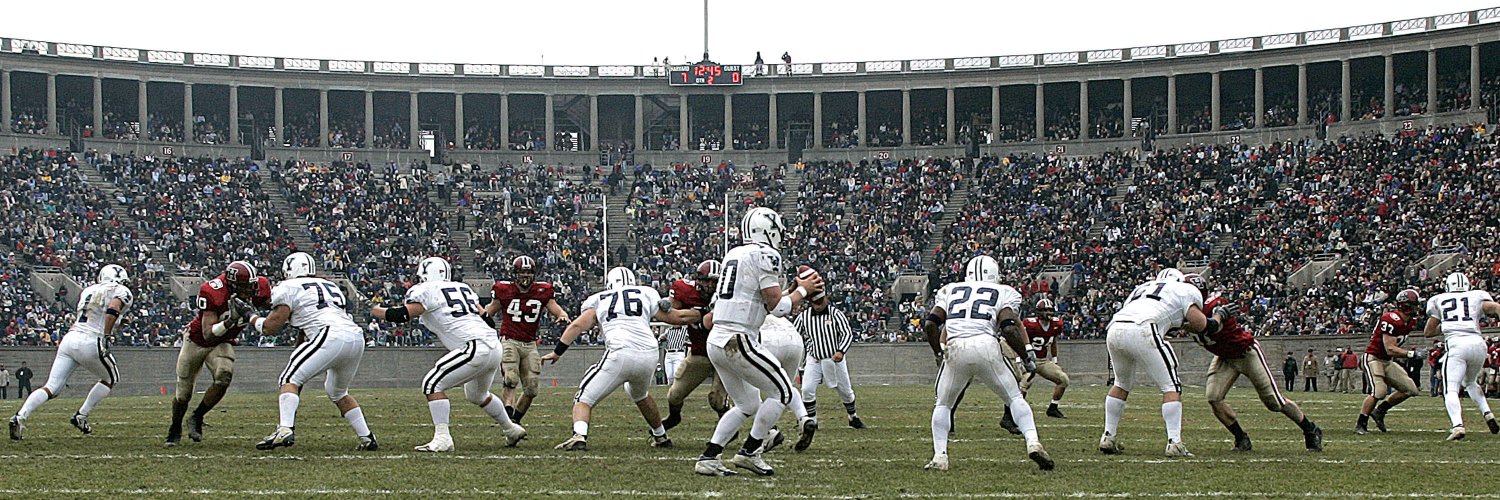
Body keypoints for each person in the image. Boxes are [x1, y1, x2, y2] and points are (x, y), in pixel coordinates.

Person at [692, 207, 822, 477]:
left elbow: (761, 299)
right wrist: (803, 290)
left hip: (717, 338)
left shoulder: (735, 253)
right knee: (783, 392)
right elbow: (778, 308)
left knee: (747, 405)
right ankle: (750, 451)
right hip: (738, 339)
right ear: (769, 230)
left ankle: (710, 457)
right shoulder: (766, 254)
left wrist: (793, 290)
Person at [370, 257, 526, 452]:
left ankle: (443, 438)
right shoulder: (463, 289)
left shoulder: (425, 290)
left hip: (474, 346)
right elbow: (487, 319)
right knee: (477, 394)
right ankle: (511, 429)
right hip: (493, 345)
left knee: (432, 384)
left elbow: (402, 315)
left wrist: (375, 310)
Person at [542, 267, 700, 451]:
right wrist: (704, 312)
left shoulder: (600, 299)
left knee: (584, 397)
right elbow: (678, 318)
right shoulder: (647, 293)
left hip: (621, 352)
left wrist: (557, 352)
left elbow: (577, 325)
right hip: (649, 354)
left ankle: (579, 436)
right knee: (640, 394)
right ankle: (661, 436)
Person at [921, 255, 1053, 471]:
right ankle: (1033, 442)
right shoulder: (1004, 292)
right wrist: (1026, 356)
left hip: (956, 347)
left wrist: (938, 352)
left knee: (943, 404)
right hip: (986, 346)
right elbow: (1009, 328)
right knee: (1014, 398)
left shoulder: (950, 290)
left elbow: (930, 325)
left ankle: (940, 456)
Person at [248, 253, 377, 451]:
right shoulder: (331, 286)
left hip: (330, 335)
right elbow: (306, 325)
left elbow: (269, 328)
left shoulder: (288, 287)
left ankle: (284, 429)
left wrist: (251, 317)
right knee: (338, 392)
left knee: (288, 379)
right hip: (355, 337)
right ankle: (367, 437)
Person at [1182, 274, 1321, 452]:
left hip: (1246, 353)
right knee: (1214, 398)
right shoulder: (1184, 310)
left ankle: (1310, 429)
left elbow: (1209, 326)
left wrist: (1181, 322)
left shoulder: (1212, 306)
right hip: (1224, 357)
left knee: (1274, 402)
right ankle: (1241, 438)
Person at [1099, 268, 1226, 458]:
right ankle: (1174, 442)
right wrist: (1219, 316)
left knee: (1121, 383)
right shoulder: (1184, 289)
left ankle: (1108, 436)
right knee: (1170, 386)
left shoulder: (1141, 288)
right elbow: (1201, 325)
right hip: (1144, 328)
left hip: (1115, 328)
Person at [9, 265, 132, 440]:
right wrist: (107, 335)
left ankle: (20, 416)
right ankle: (81, 416)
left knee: (51, 386)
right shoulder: (121, 290)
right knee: (111, 378)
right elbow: (112, 310)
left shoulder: (88, 290)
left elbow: (95, 314)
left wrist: (117, 322)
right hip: (91, 341)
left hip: (70, 338)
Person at [167, 261, 271, 447]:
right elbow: (207, 333)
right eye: (244, 287)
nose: (250, 290)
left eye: (251, 285)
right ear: (232, 285)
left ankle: (197, 417)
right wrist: (231, 321)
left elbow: (273, 305)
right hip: (197, 341)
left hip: (222, 342)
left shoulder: (260, 287)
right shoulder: (213, 291)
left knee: (224, 375)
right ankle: (175, 427)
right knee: (183, 393)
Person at [482, 256, 569, 424]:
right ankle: (507, 417)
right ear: (514, 273)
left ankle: (515, 421)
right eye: (522, 272)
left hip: (530, 344)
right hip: (509, 340)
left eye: (528, 272)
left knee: (531, 387)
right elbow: (489, 312)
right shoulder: (503, 290)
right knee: (511, 378)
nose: (525, 276)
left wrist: (563, 316)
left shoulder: (543, 291)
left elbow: (557, 309)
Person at [1421, 272, 1500, 440]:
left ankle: (1457, 426)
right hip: (1478, 344)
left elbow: (1428, 332)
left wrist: (1446, 325)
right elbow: (1495, 308)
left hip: (1457, 343)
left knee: (1451, 388)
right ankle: (1487, 413)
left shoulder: (1438, 299)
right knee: (1471, 382)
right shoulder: (1477, 296)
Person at [662, 260, 730, 431]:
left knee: (717, 400)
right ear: (698, 280)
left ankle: (728, 427)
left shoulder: (729, 295)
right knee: (674, 395)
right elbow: (672, 309)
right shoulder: (686, 291)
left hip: (725, 353)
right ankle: (674, 416)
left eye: (714, 281)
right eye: (707, 280)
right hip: (700, 352)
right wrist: (666, 303)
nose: (710, 285)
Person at [1355, 289, 1423, 435]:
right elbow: (1390, 348)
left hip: (1386, 361)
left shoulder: (1410, 322)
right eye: (1414, 305)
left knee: (1411, 389)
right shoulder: (1391, 318)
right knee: (1379, 391)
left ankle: (1380, 411)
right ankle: (1361, 423)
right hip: (1373, 358)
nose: (1417, 308)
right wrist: (1411, 354)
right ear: (1406, 305)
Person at [795, 292, 864, 430]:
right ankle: (812, 422)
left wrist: (841, 350)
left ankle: (853, 416)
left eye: (820, 302)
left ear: (826, 299)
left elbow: (847, 333)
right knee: (807, 389)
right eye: (815, 303)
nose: (818, 306)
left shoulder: (836, 314)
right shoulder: (804, 317)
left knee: (846, 391)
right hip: (814, 358)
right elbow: (794, 333)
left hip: (834, 359)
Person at [1020, 297, 1070, 419]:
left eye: (1051, 310)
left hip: (1042, 361)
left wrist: (1054, 359)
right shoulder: (1030, 324)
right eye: (1046, 310)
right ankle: (1015, 412)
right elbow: (1020, 341)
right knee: (1024, 384)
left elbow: (1053, 341)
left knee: (1063, 379)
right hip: (1027, 360)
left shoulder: (1056, 324)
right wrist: (1019, 359)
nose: (1049, 313)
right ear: (1039, 312)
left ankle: (1053, 408)